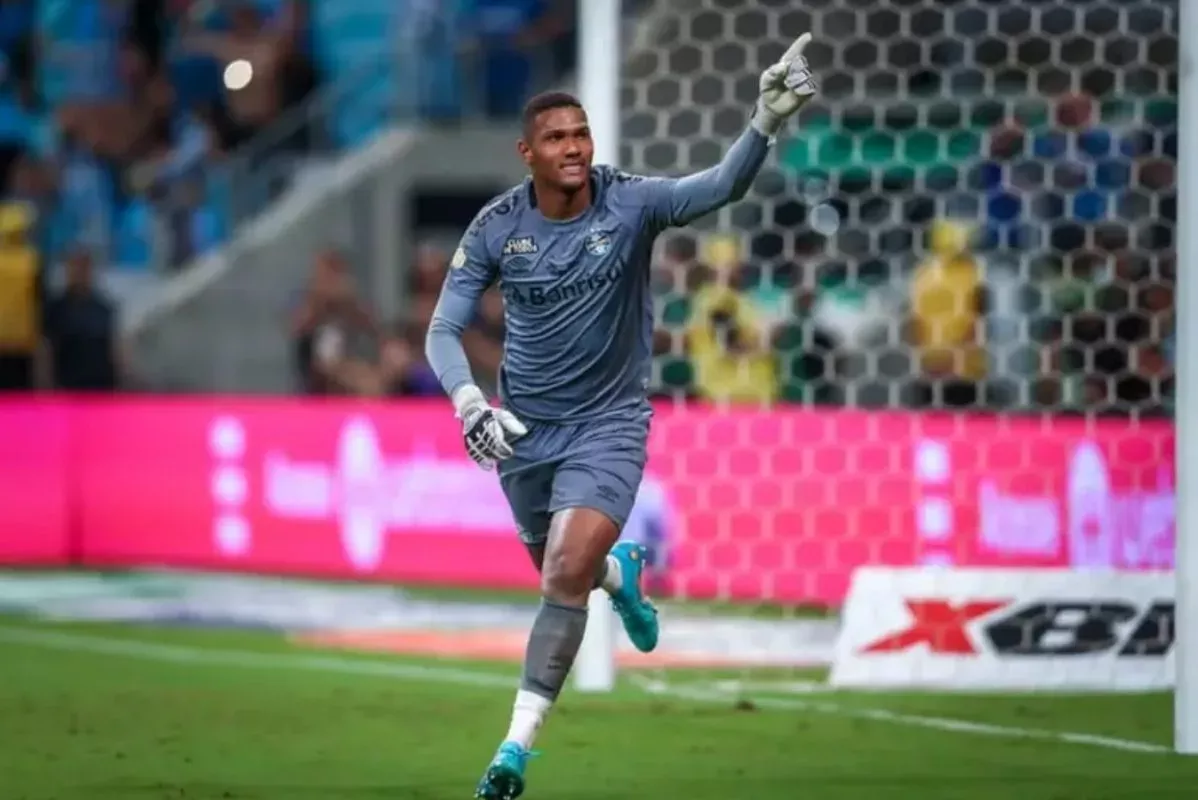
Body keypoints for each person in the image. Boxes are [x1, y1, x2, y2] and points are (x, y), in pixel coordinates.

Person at [424, 33, 818, 800]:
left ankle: (513, 752)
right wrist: (471, 401)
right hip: (525, 432)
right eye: (556, 139)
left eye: (581, 135)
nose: (574, 149)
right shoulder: (497, 228)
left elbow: (717, 188)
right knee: (560, 566)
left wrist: (764, 122)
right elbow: (443, 328)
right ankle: (621, 573)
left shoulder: (629, 201)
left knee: (561, 576)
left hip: (609, 422)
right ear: (526, 154)